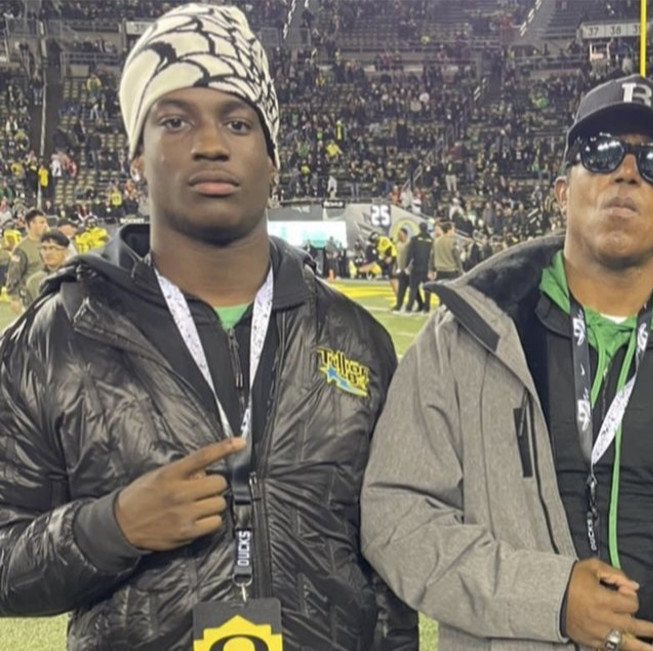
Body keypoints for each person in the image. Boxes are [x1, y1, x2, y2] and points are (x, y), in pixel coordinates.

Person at [0, 5, 417, 649]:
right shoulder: (58, 334)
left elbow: (394, 573)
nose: (211, 142)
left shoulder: (356, 337)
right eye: (174, 119)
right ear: (137, 156)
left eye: (238, 121)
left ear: (273, 160)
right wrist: (110, 528)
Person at [363, 73, 653, 651]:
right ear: (562, 190)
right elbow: (395, 515)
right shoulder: (461, 338)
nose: (627, 172)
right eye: (601, 152)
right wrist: (549, 599)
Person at [5, 208, 47, 313]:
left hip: (47, 294)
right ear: (32, 224)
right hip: (31, 298)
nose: (45, 225)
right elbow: (14, 274)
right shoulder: (22, 248)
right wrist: (14, 298)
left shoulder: (47, 243)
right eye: (41, 222)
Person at [23, 229, 71, 299]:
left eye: (52, 248)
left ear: (66, 252)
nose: (48, 253)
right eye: (44, 248)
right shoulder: (34, 281)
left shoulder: (73, 278)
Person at [403, 221, 433, 313]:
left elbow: (410, 254)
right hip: (427, 267)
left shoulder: (414, 239)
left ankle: (409, 306)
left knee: (413, 288)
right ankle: (427, 307)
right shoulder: (431, 240)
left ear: (419, 228)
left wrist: (407, 266)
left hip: (416, 267)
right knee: (427, 288)